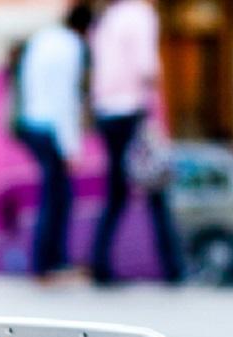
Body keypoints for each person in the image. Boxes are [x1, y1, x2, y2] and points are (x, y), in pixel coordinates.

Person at [88, 0, 183, 285]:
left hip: (106, 111)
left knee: (116, 191)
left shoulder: (108, 18)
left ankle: (100, 262)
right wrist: (155, 111)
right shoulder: (141, 15)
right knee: (156, 187)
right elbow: (146, 67)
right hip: (132, 109)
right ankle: (173, 267)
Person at [13, 3, 92, 281]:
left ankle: (50, 260)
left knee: (55, 194)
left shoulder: (43, 38)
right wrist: (71, 147)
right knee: (57, 197)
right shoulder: (71, 47)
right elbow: (64, 99)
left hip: (32, 122)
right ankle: (47, 262)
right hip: (51, 127)